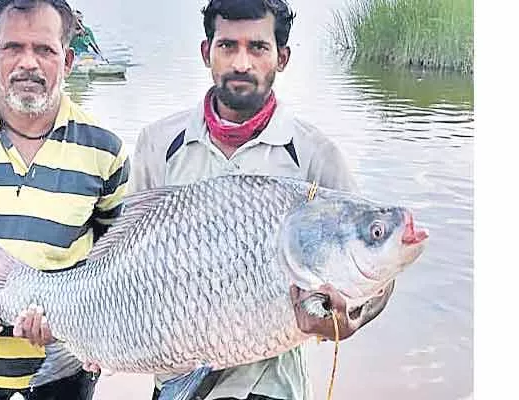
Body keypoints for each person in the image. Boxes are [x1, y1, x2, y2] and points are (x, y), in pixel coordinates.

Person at [128, 1, 395, 399]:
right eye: (227, 46)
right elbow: (125, 256)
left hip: (275, 388)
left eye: (257, 47)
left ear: (281, 57)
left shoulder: (315, 154)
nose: (241, 62)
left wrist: (349, 318)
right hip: (175, 380)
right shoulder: (158, 143)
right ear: (207, 52)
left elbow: (374, 270)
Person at [0, 0, 129, 399]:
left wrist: (90, 330)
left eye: (44, 50)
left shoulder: (106, 150)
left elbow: (119, 265)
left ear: (69, 60)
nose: (29, 63)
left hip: (65, 373)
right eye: (14, 48)